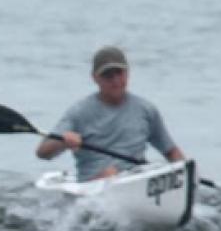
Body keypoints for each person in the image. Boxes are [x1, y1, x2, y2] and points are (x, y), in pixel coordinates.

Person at [35, 46, 186, 181]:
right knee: (110, 173)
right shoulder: (79, 112)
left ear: (127, 73)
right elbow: (43, 153)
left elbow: (171, 152)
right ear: (95, 78)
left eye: (119, 73)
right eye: (108, 75)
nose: (115, 80)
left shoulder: (146, 110)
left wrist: (187, 175)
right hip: (94, 185)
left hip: (135, 178)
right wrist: (63, 141)